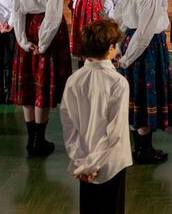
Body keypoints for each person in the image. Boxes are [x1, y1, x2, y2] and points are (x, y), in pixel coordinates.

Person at [10, 0, 72, 157]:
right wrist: (43, 43)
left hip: (26, 27)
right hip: (47, 29)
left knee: (28, 81)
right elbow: (54, 14)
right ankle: (39, 139)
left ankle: (32, 139)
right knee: (41, 85)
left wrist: (23, 41)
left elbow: (16, 10)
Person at [60, 18, 131, 214]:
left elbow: (68, 125)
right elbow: (115, 132)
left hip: (83, 163)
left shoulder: (74, 80)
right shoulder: (118, 83)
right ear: (110, 48)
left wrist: (82, 163)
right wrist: (94, 164)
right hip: (111, 164)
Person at [114, 0, 172, 164]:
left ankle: (137, 147)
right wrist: (127, 58)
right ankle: (144, 150)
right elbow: (144, 34)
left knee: (135, 94)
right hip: (147, 48)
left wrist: (118, 48)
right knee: (145, 93)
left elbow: (117, 16)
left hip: (130, 42)